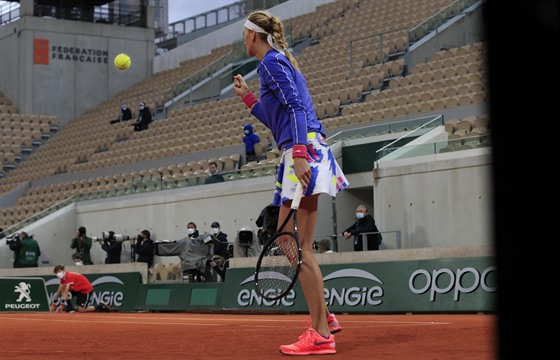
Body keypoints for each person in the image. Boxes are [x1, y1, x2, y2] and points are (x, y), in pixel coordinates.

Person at [233, 10, 348, 355]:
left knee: (300, 247)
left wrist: (298, 154)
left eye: (244, 33)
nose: (242, 39)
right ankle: (323, 315)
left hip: (304, 149)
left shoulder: (270, 63)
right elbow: (277, 116)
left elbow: (296, 107)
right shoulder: (274, 64)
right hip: (300, 148)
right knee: (288, 243)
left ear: (253, 35)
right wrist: (248, 98)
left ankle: (321, 332)